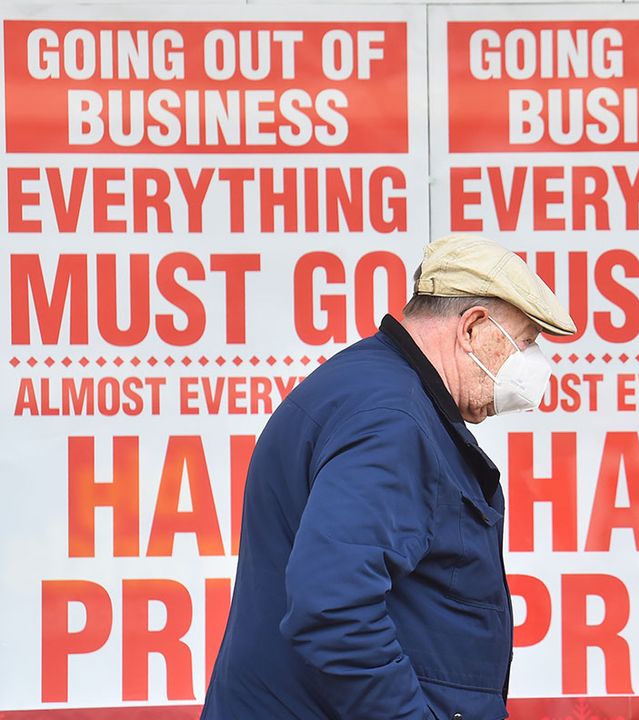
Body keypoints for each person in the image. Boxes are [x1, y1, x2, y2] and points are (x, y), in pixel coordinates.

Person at [202, 234, 575, 720]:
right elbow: (333, 610)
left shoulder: (366, 385)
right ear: (473, 327)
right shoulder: (392, 420)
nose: (532, 364)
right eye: (525, 341)